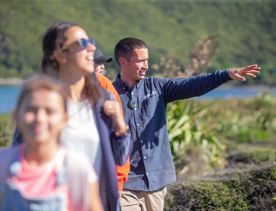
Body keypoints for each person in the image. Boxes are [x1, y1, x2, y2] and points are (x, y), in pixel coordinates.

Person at [112, 37, 261, 211]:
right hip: (126, 183)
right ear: (123, 61)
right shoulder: (108, 93)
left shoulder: (157, 87)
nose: (146, 65)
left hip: (157, 181)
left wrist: (225, 75)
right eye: (140, 61)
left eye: (147, 60)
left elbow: (192, 85)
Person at [13, 21, 131, 211]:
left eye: (90, 41)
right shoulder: (39, 101)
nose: (92, 47)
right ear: (60, 54)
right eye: (82, 43)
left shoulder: (102, 99)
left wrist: (119, 125)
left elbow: (120, 157)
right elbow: (19, 158)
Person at [0, 75, 103, 211]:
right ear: (17, 115)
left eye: (50, 111)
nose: (40, 118)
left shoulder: (78, 169)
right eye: (32, 109)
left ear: (64, 119)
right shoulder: (3, 164)